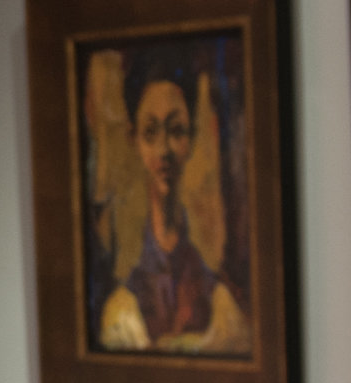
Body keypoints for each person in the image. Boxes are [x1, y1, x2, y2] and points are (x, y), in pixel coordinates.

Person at [98, 61, 249, 356]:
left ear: (191, 138)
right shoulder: (123, 306)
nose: (164, 150)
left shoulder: (218, 299)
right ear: (133, 139)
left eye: (176, 131)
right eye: (150, 132)